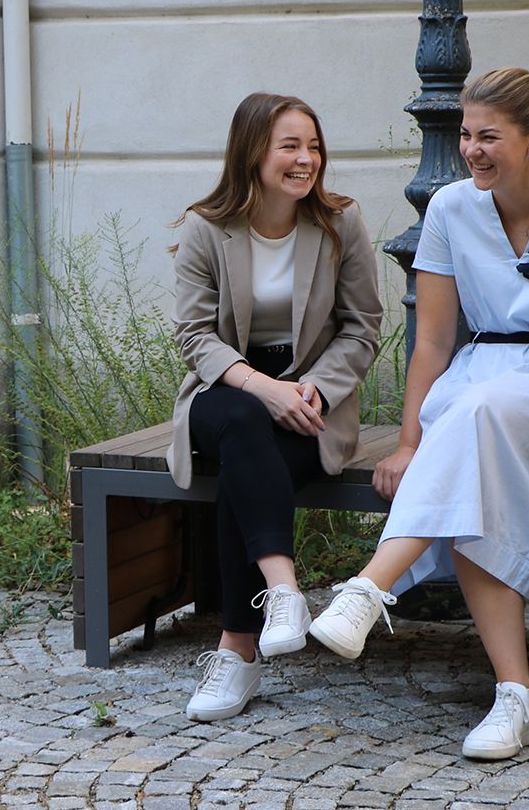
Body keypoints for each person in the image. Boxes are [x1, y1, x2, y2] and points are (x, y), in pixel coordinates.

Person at [305, 68, 529, 759]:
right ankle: (515, 695)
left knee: (474, 417)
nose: (470, 149)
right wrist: (407, 442)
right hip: (479, 383)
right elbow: (432, 340)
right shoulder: (451, 210)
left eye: (488, 135)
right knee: (471, 431)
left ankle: (371, 586)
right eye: (465, 133)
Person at [169, 91, 382, 722]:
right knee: (241, 424)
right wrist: (262, 387)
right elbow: (192, 335)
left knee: (245, 466)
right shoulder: (208, 227)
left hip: (314, 397)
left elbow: (361, 326)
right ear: (253, 151)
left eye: (313, 145)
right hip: (227, 390)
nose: (306, 158)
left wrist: (312, 387)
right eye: (290, 145)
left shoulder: (341, 223)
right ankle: (284, 591)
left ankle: (237, 652)